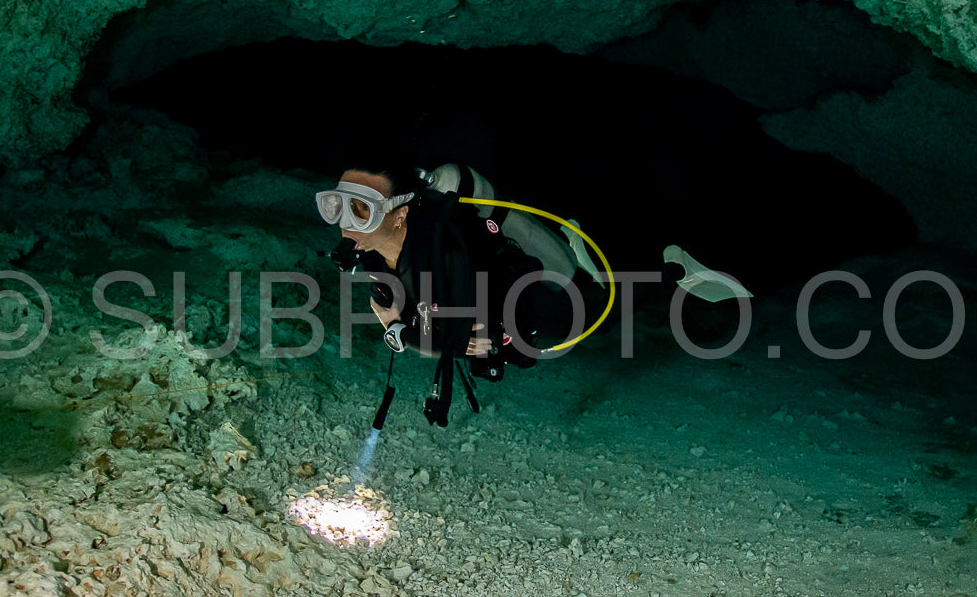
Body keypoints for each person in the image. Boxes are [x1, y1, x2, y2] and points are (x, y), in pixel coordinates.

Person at [316, 160, 752, 426]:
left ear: (399, 215)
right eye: (336, 204)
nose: (343, 222)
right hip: (492, 305)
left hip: (528, 305)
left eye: (360, 209)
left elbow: (455, 333)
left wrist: (409, 333)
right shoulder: (375, 260)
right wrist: (408, 329)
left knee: (601, 312)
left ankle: (675, 267)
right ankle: (579, 250)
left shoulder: (439, 251)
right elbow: (413, 325)